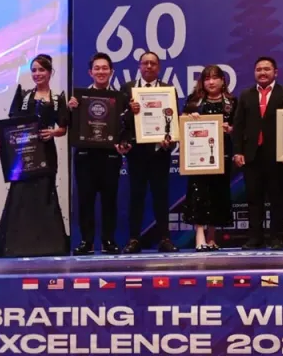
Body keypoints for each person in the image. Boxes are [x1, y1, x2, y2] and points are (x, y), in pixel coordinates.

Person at [0, 54, 69, 257]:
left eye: (41, 70)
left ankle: (47, 246)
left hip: (46, 154)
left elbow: (63, 128)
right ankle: (16, 246)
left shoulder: (57, 99)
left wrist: (53, 132)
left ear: (50, 72)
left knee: (44, 195)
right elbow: (10, 126)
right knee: (20, 196)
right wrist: (1, 142)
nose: (37, 74)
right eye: (34, 70)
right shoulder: (23, 96)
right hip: (22, 155)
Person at [70, 52, 130, 255]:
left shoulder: (121, 98)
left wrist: (124, 144)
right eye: (97, 68)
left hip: (110, 156)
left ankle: (108, 240)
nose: (101, 71)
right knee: (85, 200)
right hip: (85, 156)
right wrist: (71, 109)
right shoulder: (78, 99)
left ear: (111, 71)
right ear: (90, 72)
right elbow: (69, 124)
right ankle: (86, 242)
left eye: (105, 68)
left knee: (109, 200)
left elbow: (126, 127)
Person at [119, 51, 179, 253]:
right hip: (136, 152)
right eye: (145, 63)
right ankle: (134, 239)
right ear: (139, 66)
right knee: (136, 196)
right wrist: (130, 110)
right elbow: (120, 122)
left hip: (159, 152)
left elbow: (173, 120)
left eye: (153, 63)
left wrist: (169, 139)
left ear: (159, 67)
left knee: (161, 196)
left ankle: (165, 238)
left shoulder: (168, 90)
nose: (149, 67)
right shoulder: (128, 89)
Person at [232, 56, 283, 250]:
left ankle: (276, 238)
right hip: (251, 155)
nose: (262, 72)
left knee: (277, 198)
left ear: (275, 72)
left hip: (277, 155)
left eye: (267, 69)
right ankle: (255, 237)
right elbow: (238, 125)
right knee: (254, 199)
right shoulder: (245, 95)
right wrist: (238, 151)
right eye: (259, 69)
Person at [182, 65, 237, 251]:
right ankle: (199, 235)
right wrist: (189, 117)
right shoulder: (195, 100)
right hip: (198, 155)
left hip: (222, 154)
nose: (211, 82)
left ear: (223, 80)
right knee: (198, 192)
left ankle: (212, 236)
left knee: (218, 192)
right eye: (207, 79)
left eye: (215, 78)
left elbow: (240, 127)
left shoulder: (232, 102)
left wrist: (231, 129)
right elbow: (182, 124)